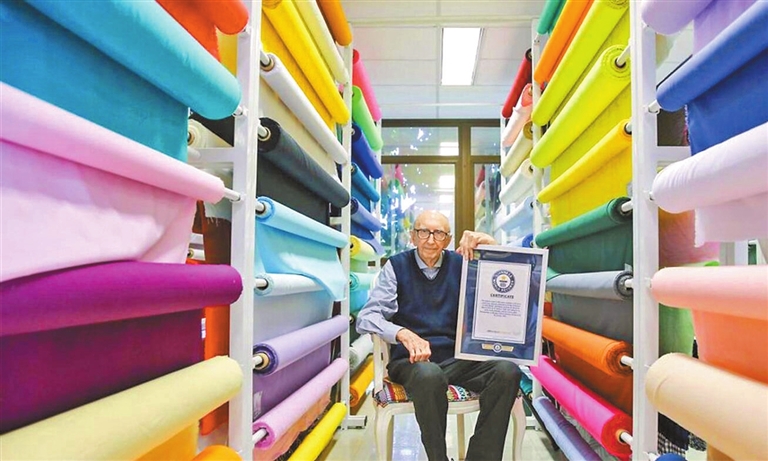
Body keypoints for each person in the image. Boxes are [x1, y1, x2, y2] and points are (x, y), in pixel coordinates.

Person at [356, 210, 522, 461]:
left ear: (448, 239)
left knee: (507, 371)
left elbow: (506, 285)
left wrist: (492, 246)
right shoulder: (397, 266)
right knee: (429, 375)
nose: (431, 240)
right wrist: (401, 333)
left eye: (439, 233)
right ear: (413, 236)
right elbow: (367, 317)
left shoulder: (462, 263)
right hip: (412, 362)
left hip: (458, 358)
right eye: (424, 232)